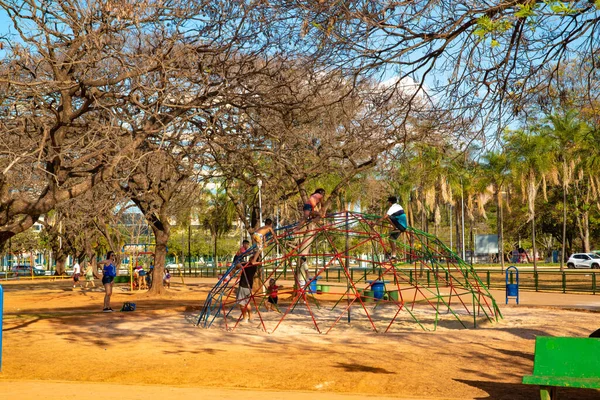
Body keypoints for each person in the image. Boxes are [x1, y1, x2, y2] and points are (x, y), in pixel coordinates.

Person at [371, 196, 408, 260]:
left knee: (387, 216)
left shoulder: (393, 207)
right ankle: (394, 255)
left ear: (390, 202)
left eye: (388, 202)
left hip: (400, 226)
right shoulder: (399, 206)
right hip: (403, 227)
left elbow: (385, 217)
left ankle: (395, 228)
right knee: (391, 239)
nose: (388, 203)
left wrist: (375, 224)